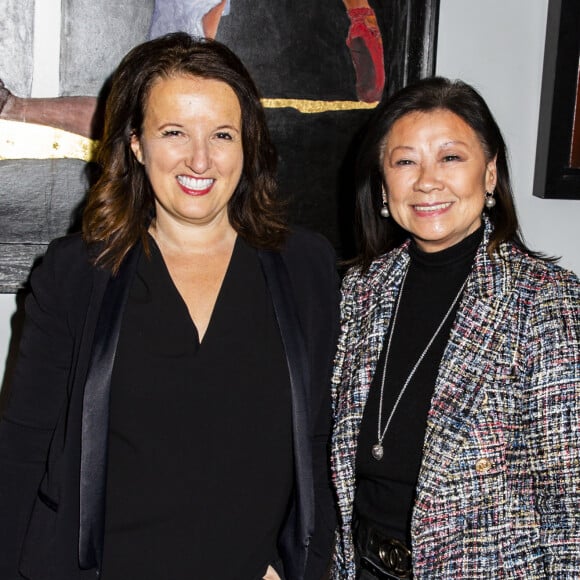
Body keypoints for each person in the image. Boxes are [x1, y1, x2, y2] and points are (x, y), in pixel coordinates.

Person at [0, 32, 339, 580]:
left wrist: (301, 563)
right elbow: (20, 449)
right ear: (136, 143)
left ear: (248, 144)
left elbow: (321, 442)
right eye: (174, 132)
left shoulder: (306, 267)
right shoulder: (74, 273)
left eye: (222, 134)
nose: (199, 159)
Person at [330, 76, 580, 579]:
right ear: (383, 183)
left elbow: (569, 501)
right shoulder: (358, 292)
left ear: (489, 175)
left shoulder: (547, 302)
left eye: (450, 158)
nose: (427, 181)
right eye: (405, 161)